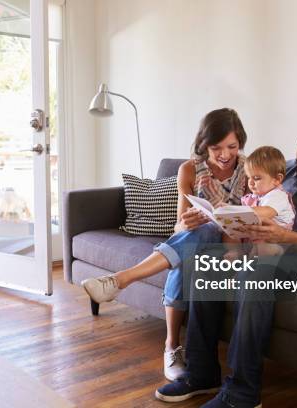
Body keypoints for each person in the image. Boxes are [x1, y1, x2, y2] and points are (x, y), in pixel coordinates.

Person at [154, 110, 297, 407]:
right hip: (270, 249)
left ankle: (242, 393)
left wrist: (289, 238)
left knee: (255, 271)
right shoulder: (287, 170)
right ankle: (201, 372)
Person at [81, 108, 249, 381]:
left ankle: (121, 281)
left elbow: (258, 213)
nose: (225, 154)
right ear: (204, 144)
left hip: (234, 246)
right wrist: (188, 223)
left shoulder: (249, 168)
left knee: (202, 237)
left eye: (232, 146)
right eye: (216, 147)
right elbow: (178, 227)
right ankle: (172, 347)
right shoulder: (190, 169)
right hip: (198, 242)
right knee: (196, 239)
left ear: (240, 141)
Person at [234, 146, 295, 258]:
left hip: (276, 242)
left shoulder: (278, 195)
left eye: (256, 178)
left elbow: (266, 212)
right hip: (257, 239)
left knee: (263, 245)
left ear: (277, 179)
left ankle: (260, 263)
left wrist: (235, 211)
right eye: (249, 177)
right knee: (230, 231)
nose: (251, 183)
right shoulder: (256, 196)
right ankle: (236, 252)